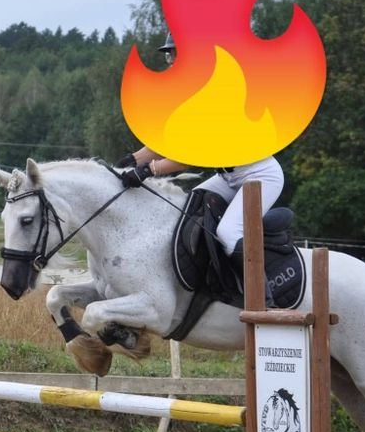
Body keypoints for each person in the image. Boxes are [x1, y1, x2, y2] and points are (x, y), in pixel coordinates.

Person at [116, 33, 286, 266]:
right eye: (169, 55)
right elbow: (164, 141)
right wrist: (131, 160)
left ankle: (260, 286)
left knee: (228, 233)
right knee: (187, 212)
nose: (170, 61)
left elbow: (188, 157)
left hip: (260, 175)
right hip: (227, 177)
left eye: (174, 54)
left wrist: (147, 170)